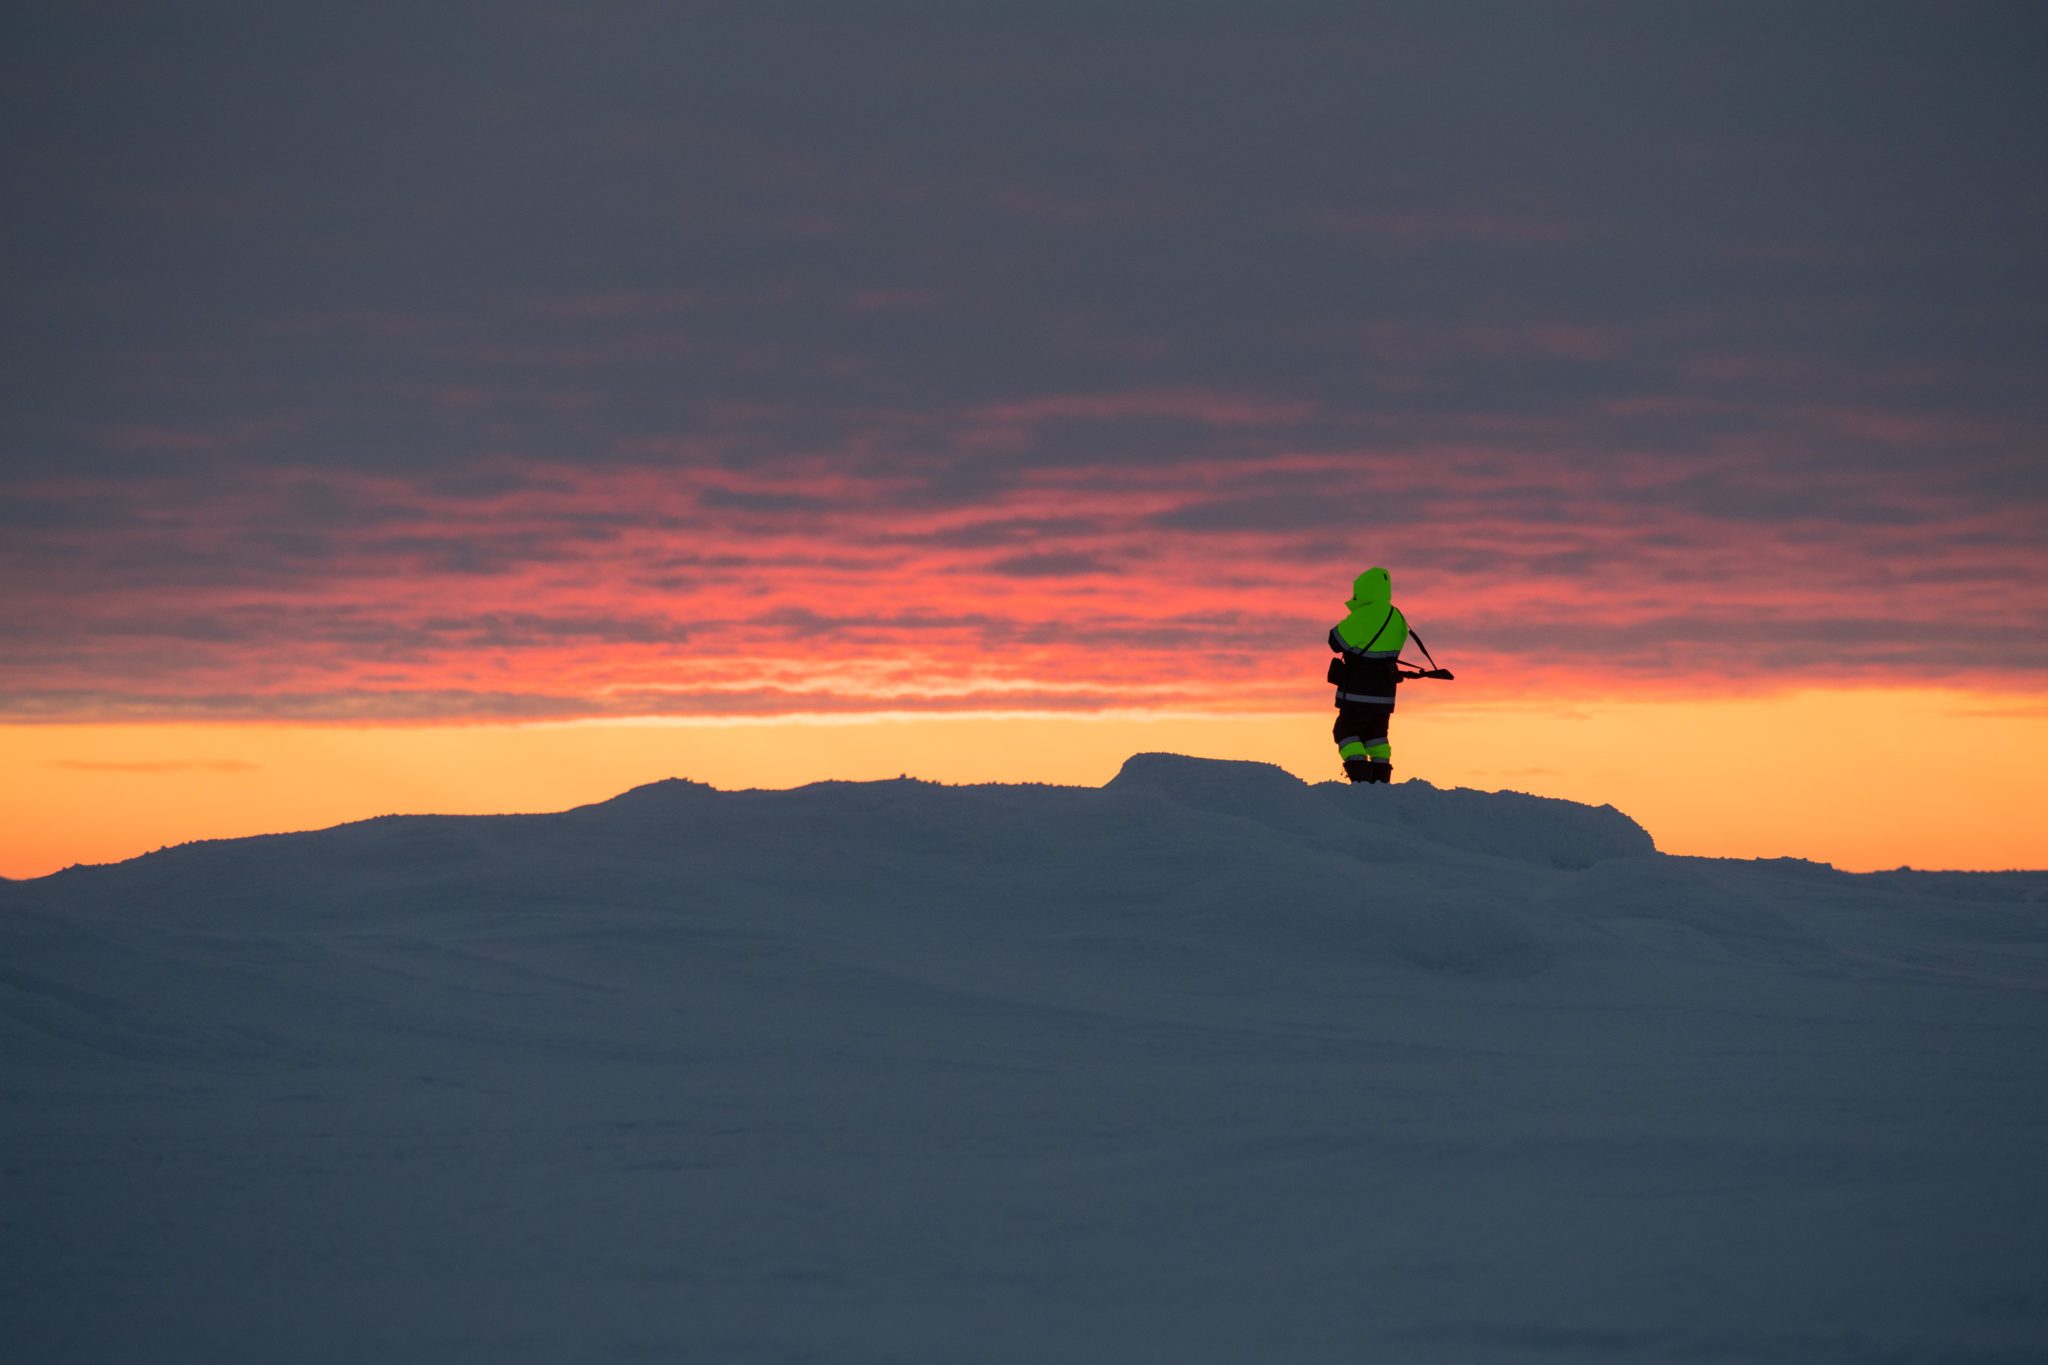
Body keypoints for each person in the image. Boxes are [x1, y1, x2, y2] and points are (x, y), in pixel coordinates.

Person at [1327, 567, 1407, 784]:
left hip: (1357, 693)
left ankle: (1361, 781)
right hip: (1385, 695)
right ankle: (1380, 784)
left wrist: (1355, 615)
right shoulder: (1397, 616)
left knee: (1345, 732)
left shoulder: (1365, 615)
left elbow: (1335, 641)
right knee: (1377, 738)